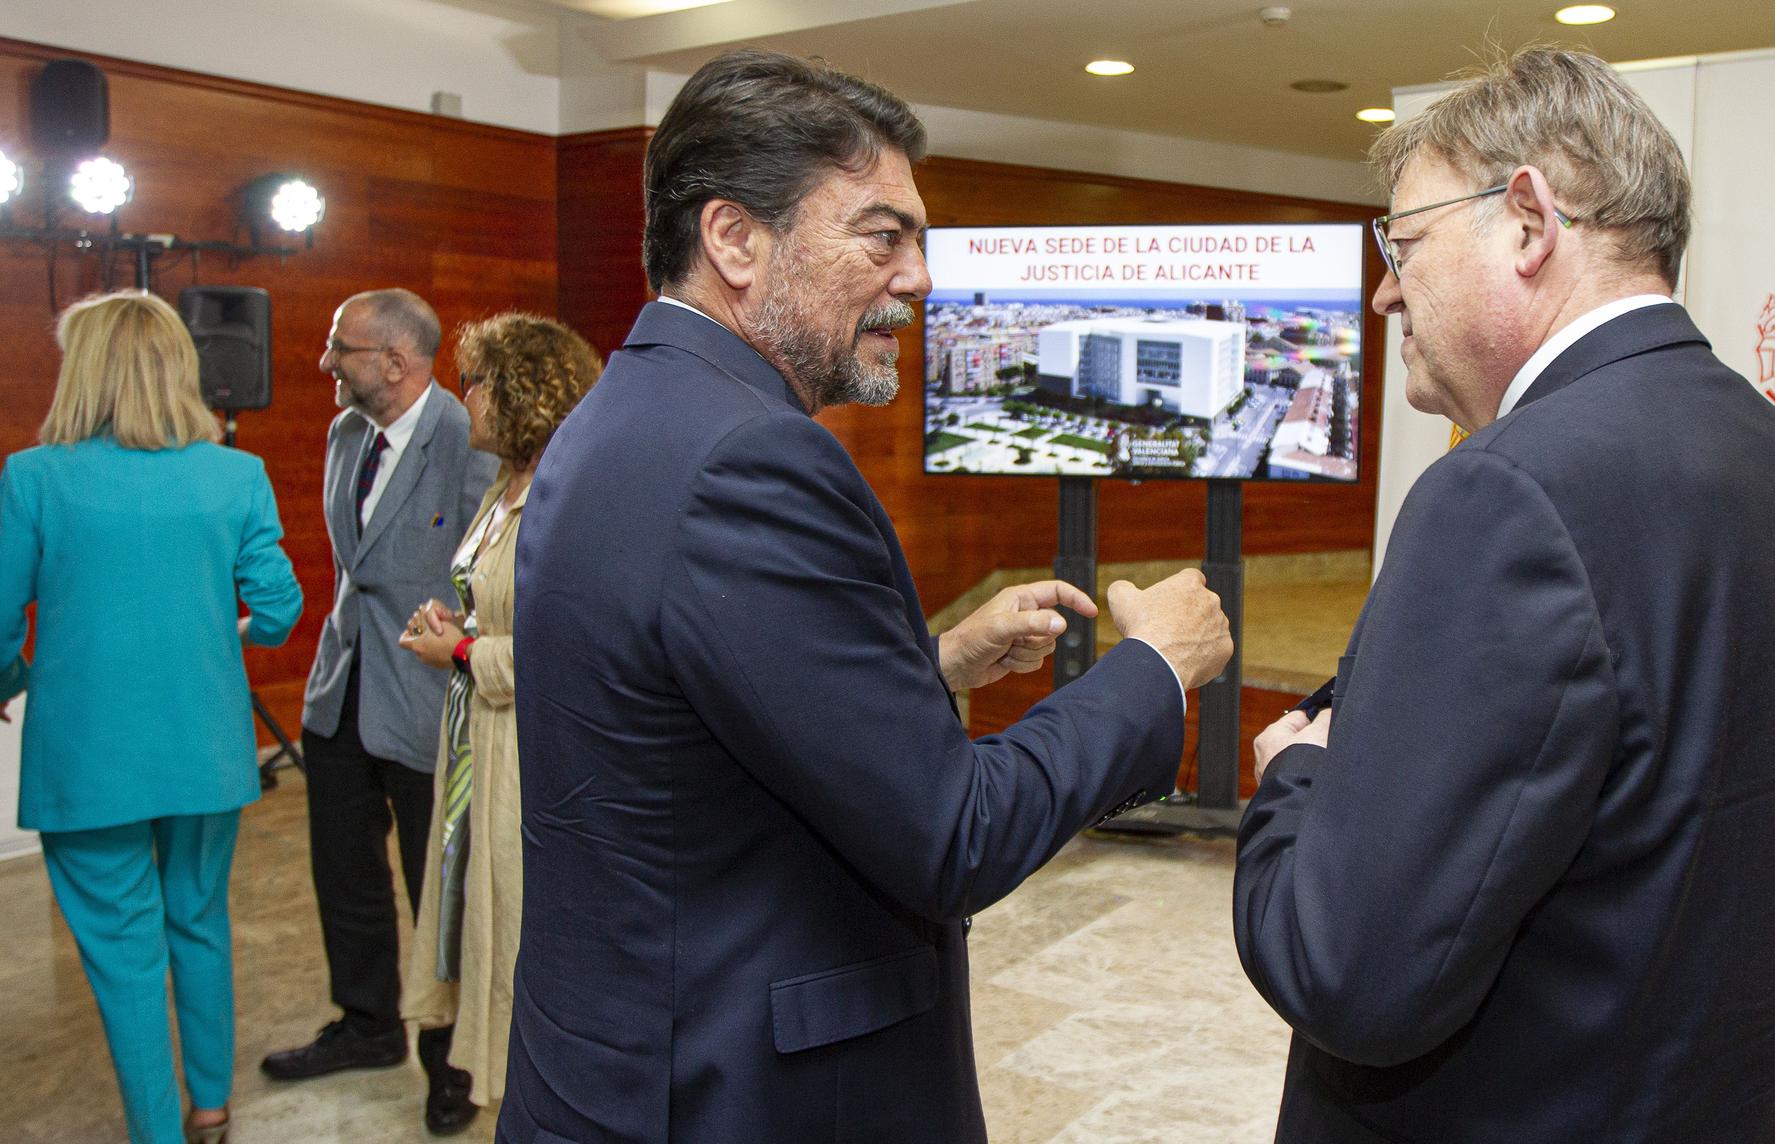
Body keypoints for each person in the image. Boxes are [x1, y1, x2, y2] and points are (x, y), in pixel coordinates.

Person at [500, 48, 1232, 1143]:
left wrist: (925, 665)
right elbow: (952, 835)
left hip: (618, 1063)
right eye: (881, 235)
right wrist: (1153, 672)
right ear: (734, 240)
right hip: (743, 1091)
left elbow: (679, 706)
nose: (919, 277)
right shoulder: (752, 460)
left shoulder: (625, 412)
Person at [1233, 48, 1775, 1143]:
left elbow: (1350, 973)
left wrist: (1295, 776)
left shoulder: (1501, 494)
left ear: (1526, 221)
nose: (1385, 288)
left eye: (1404, 241)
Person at [0, 290, 303, 1144]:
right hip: (206, 747)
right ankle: (211, 1106)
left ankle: (157, 1131)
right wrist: (221, 633)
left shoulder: (34, 477)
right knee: (198, 920)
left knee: (124, 955)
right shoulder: (233, 472)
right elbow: (278, 607)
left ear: (82, 370)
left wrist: (21, 674)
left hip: (86, 758)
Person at [262, 288, 498, 1137]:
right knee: (345, 877)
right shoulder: (343, 433)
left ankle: (454, 1063)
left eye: (341, 350)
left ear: (395, 363)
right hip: (341, 690)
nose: (325, 363)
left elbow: (490, 573)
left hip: (429, 702)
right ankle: (366, 1027)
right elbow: (353, 570)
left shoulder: (467, 440)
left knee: (435, 892)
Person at [395, 313, 601, 1128]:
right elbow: (504, 605)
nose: (463, 396)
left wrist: (459, 654)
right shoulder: (505, 483)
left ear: (519, 392)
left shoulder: (568, 492)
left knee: (516, 923)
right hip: (476, 736)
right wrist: (458, 626)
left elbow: (576, 651)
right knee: (474, 911)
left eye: (475, 382)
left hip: (527, 748)